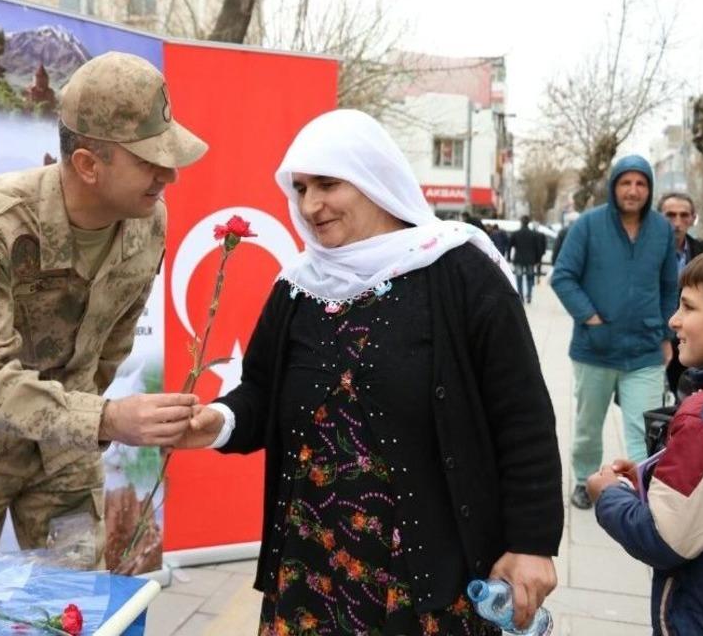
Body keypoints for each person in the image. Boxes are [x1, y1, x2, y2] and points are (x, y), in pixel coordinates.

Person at [178, 110, 562, 635]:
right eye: (302, 188)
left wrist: (532, 543)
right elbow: (263, 391)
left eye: (329, 184)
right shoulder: (299, 287)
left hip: (425, 569)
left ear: (374, 179)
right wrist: (218, 421)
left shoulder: (461, 273)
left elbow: (522, 416)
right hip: (311, 562)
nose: (311, 204)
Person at [0, 52, 205, 559]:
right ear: (88, 165)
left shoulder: (148, 223)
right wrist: (105, 419)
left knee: (75, 608)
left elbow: (111, 345)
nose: (170, 177)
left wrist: (86, 419)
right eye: (149, 161)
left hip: (63, 448)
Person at [585, 248, 703, 636]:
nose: (674, 320)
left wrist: (608, 495)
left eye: (688, 307)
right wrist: (654, 475)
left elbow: (663, 537)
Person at [552, 156, 678, 510]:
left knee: (645, 426)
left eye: (641, 184)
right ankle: (584, 480)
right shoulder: (589, 226)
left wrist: (667, 334)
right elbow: (563, 276)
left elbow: (669, 286)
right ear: (614, 186)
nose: (633, 190)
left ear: (650, 188)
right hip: (595, 349)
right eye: (626, 183)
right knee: (589, 426)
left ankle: (640, 487)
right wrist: (590, 318)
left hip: (645, 349)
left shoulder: (661, 230)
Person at [657, 192, 703, 396]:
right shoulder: (644, 254)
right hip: (654, 340)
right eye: (670, 215)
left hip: (694, 342)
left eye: (684, 215)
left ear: (693, 218)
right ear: (658, 217)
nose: (677, 222)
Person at [508, 215, 545, 303]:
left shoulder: (516, 233)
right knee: (530, 278)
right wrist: (538, 260)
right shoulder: (534, 234)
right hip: (530, 260)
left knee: (519, 278)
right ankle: (529, 296)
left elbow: (509, 246)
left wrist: (509, 257)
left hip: (519, 259)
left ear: (521, 222)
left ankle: (520, 296)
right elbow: (538, 248)